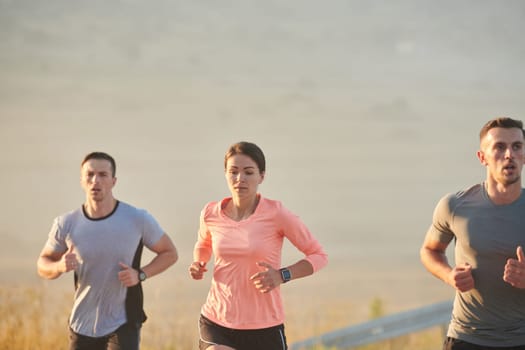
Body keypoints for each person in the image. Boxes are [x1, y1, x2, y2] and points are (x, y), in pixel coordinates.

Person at [188, 141, 328, 350]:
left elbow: (318, 256)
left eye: (248, 172)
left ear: (261, 176)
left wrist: (282, 275)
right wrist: (199, 262)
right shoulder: (210, 213)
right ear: (225, 174)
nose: (240, 179)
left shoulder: (276, 214)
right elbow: (204, 243)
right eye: (233, 171)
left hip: (264, 326)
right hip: (217, 320)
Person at [37, 151, 178, 350]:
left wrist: (141, 274)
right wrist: (59, 266)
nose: (96, 180)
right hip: (82, 323)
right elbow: (42, 265)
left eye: (103, 175)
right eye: (90, 175)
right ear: (81, 181)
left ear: (113, 181)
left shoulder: (137, 219)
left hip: (124, 321)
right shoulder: (67, 223)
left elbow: (170, 253)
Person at [420, 117, 525, 349]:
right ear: (482, 157)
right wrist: (449, 275)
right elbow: (430, 250)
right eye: (499, 147)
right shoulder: (455, 206)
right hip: (467, 338)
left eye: (517, 146)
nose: (509, 155)